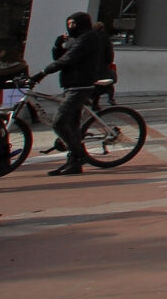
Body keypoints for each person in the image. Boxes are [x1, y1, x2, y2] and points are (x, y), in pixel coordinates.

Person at [40, 11, 115, 176]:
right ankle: (73, 163)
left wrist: (43, 72)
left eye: (73, 24)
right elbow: (62, 57)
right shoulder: (76, 39)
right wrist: (58, 46)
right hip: (71, 85)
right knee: (72, 126)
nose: (70, 28)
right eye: (69, 24)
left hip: (81, 85)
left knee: (59, 122)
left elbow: (69, 59)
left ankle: (79, 155)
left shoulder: (89, 38)